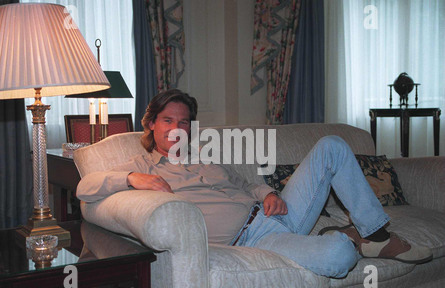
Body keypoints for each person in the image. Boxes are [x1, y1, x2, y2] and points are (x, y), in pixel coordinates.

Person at [76, 89, 433, 278]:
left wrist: (268, 192)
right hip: (258, 238)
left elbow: (245, 182)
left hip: (279, 213)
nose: (176, 128)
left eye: (184, 122)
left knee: (332, 146)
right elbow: (86, 187)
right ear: (151, 124)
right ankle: (346, 238)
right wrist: (130, 178)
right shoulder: (141, 165)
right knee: (339, 257)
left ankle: (377, 235)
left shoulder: (207, 155)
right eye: (167, 120)